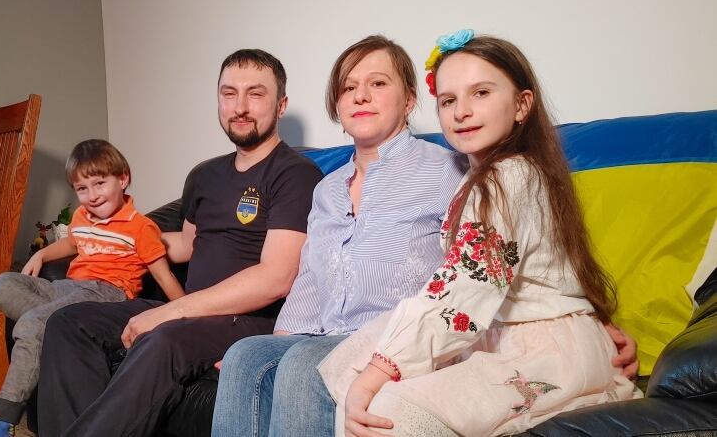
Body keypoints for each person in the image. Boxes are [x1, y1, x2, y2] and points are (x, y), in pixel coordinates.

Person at [213, 35, 639, 437]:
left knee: (307, 367)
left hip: (403, 329)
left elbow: (476, 277)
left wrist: (590, 320)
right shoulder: (327, 189)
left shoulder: (455, 169)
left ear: (410, 100)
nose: (360, 96)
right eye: (348, 88)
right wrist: (276, 343)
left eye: (377, 83)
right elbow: (308, 282)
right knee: (246, 354)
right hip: (368, 331)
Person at [35, 49, 323, 437]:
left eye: (255, 94)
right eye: (228, 93)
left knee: (163, 337)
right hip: (191, 309)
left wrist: (170, 312)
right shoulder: (204, 175)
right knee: (69, 322)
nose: (239, 107)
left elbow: (276, 277)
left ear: (281, 104)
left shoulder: (296, 174)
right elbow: (187, 244)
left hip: (250, 319)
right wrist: (113, 236)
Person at [0, 139, 186, 437]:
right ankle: (45, 328)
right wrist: (41, 254)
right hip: (69, 288)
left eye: (100, 183)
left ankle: (0, 420)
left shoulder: (140, 227)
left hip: (106, 294)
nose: (92, 196)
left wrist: (188, 313)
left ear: (123, 179)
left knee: (34, 322)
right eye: (82, 189)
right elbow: (72, 243)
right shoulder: (82, 217)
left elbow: (163, 277)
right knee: (4, 284)